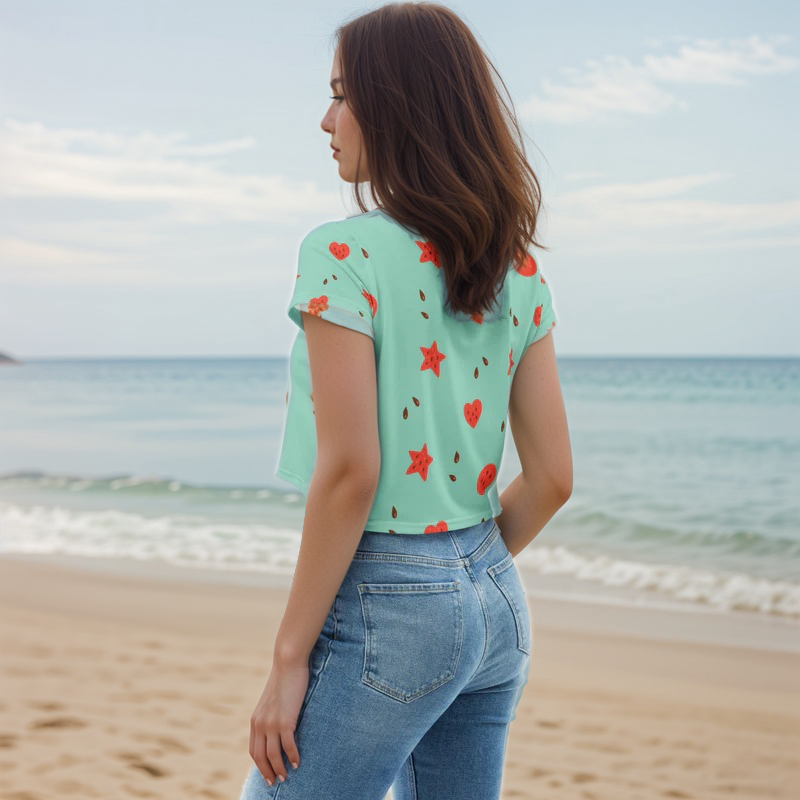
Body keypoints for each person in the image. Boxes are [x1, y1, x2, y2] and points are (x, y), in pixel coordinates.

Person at [239, 2, 573, 798]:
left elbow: (353, 471)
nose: (326, 119)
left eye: (342, 94)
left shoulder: (342, 254)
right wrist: (462, 577)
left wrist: (289, 657)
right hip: (496, 603)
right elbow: (554, 478)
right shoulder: (516, 270)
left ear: (398, 103)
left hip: (389, 604)